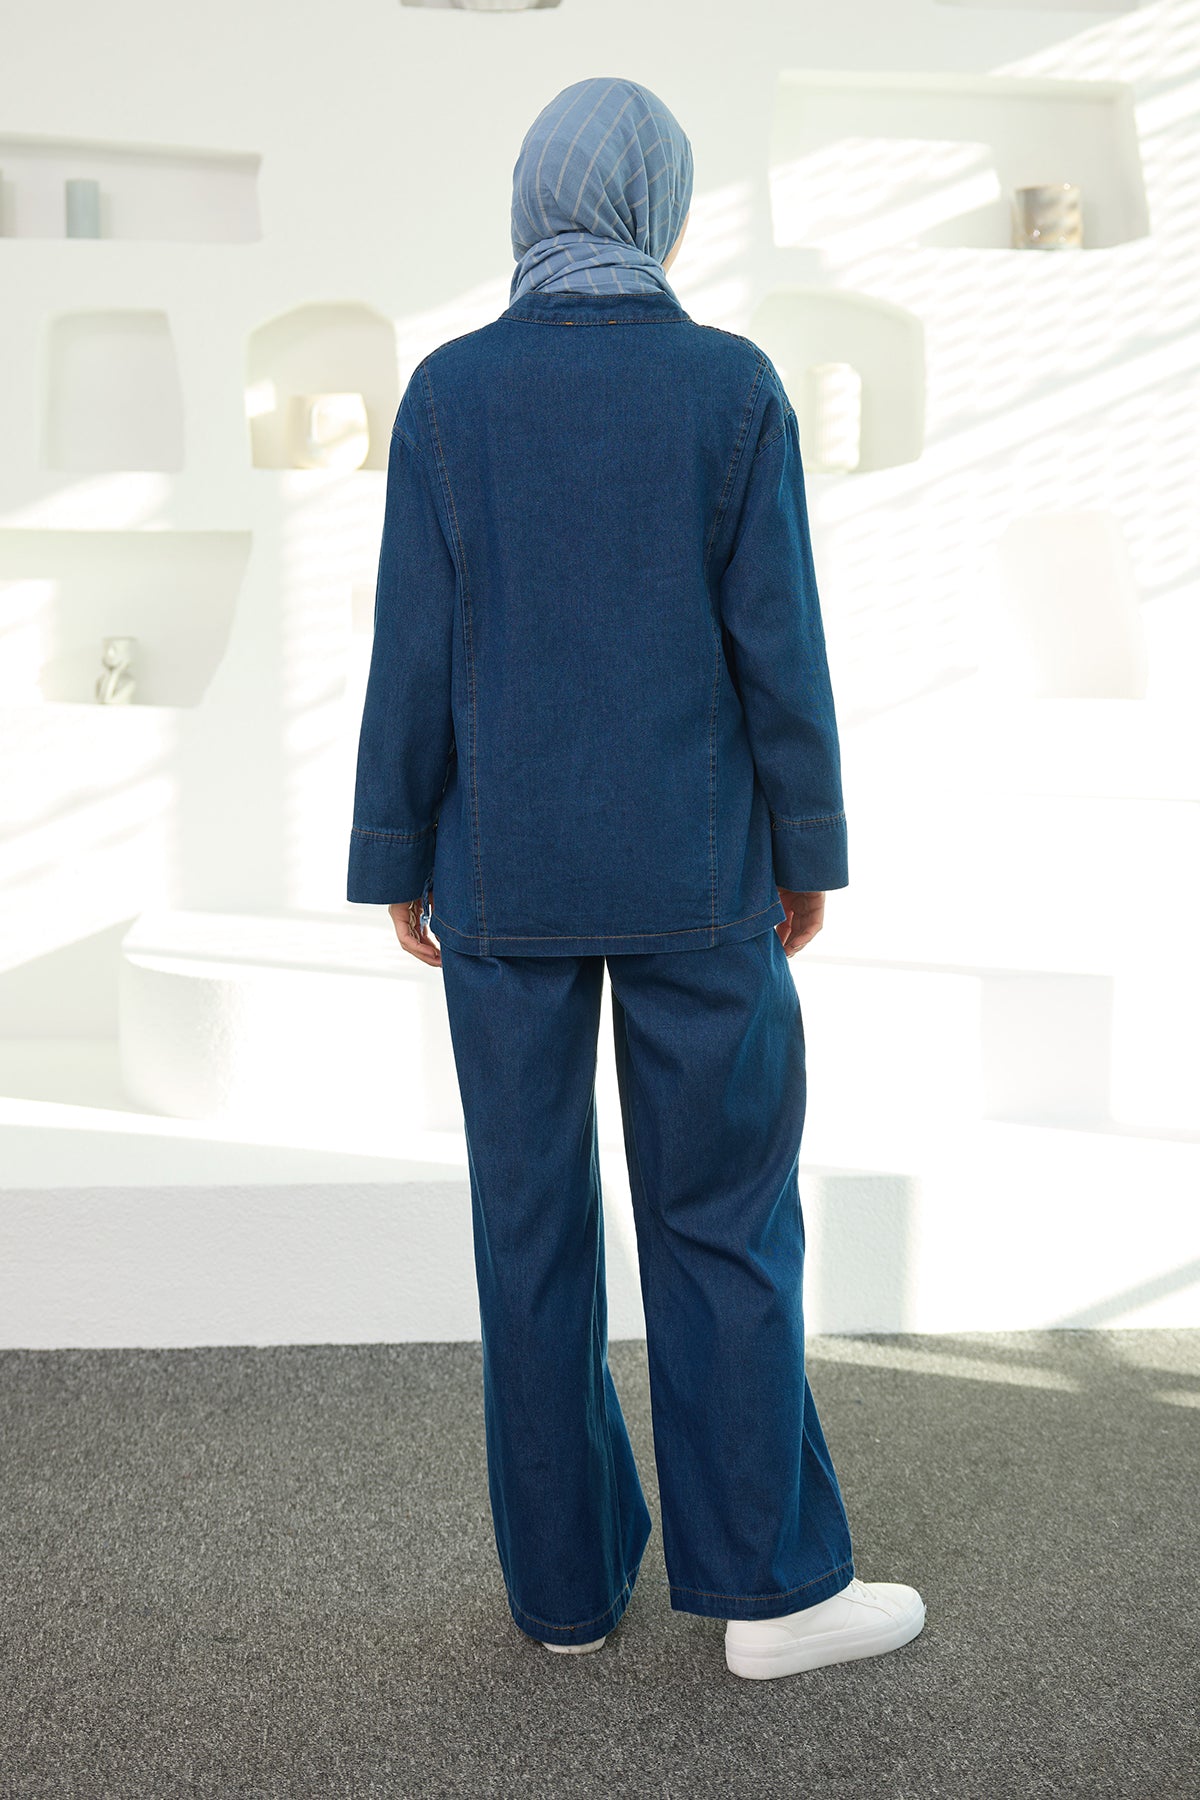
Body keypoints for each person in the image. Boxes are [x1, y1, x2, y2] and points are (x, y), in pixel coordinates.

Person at [347, 75, 925, 1681]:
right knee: (722, 1220)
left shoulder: (449, 395)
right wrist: (806, 850)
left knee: (528, 1233)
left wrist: (397, 852)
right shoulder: (730, 388)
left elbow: (409, 646)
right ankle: (770, 1596)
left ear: (533, 197)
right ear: (657, 205)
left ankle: (567, 1598)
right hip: (698, 871)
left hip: (501, 876)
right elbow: (779, 649)